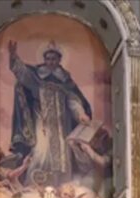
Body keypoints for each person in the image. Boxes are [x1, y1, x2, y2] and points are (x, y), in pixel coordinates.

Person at [8, 39, 92, 186]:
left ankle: (61, 187)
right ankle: (34, 186)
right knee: (41, 153)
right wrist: (14, 56)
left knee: (62, 158)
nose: (50, 62)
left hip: (61, 126)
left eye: (54, 59)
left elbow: (73, 100)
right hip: (42, 124)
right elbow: (23, 75)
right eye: (48, 58)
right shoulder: (37, 77)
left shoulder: (65, 80)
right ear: (44, 59)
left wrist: (80, 114)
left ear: (59, 60)